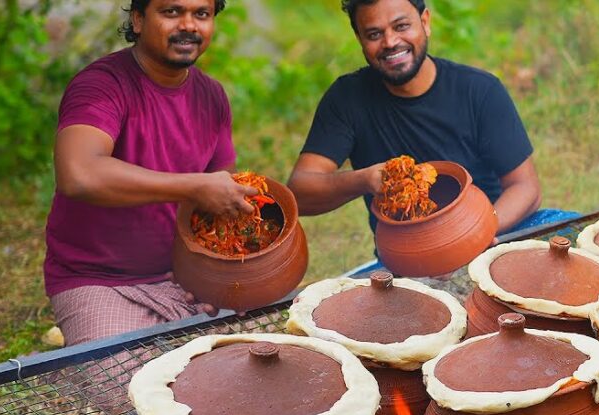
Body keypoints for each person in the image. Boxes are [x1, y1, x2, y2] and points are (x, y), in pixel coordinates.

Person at [45, 0, 251, 349]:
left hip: (180, 276)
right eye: (172, 12)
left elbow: (216, 205)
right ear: (138, 19)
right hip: (100, 281)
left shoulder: (212, 96)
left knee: (256, 360)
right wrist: (193, 186)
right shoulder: (101, 84)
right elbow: (78, 174)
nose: (189, 25)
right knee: (124, 389)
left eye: (201, 14)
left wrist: (210, 273)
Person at [289, 0, 567, 245]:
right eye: (374, 34)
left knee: (572, 227)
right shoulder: (346, 99)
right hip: (407, 254)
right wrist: (364, 179)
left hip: (495, 231)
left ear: (425, 22)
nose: (390, 42)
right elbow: (300, 193)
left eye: (401, 26)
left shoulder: (479, 90)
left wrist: (480, 228)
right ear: (360, 39)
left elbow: (525, 188)